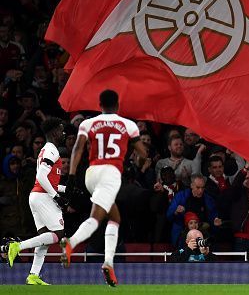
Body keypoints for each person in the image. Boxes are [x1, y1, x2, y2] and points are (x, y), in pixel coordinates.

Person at [60, 89, 147, 287]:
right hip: (111, 173)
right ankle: (71, 243)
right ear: (118, 106)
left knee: (114, 217)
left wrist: (72, 175)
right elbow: (142, 153)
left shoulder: (87, 123)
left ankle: (108, 264)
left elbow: (78, 148)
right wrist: (138, 158)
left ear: (100, 105)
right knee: (97, 218)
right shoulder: (128, 125)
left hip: (91, 174)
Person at [3, 118, 68, 285]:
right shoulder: (52, 150)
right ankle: (17, 246)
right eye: (61, 130)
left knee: (45, 237)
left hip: (37, 196)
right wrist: (56, 196)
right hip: (43, 197)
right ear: (54, 132)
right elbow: (40, 177)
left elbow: (45, 180)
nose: (63, 133)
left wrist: (64, 189)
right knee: (57, 235)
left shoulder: (46, 150)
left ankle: (33, 275)